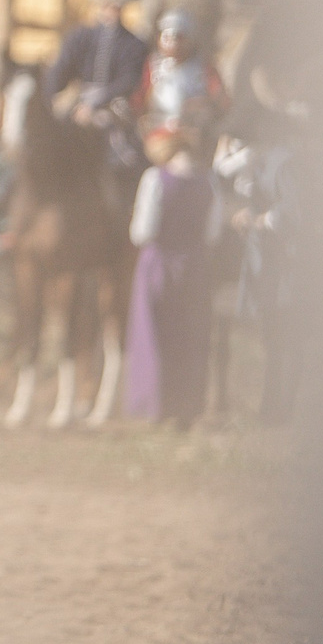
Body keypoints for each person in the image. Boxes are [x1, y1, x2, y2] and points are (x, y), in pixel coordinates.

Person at [125, 117, 225, 426]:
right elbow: (213, 234)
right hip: (195, 267)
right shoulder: (210, 181)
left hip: (159, 265)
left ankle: (157, 406)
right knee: (191, 335)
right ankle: (188, 408)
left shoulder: (155, 179)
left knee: (154, 333)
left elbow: (143, 232)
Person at [139, 9, 229, 130]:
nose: (171, 43)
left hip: (194, 129)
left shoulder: (204, 68)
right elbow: (140, 98)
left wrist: (204, 105)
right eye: (166, 37)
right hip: (158, 128)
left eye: (178, 37)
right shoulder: (152, 66)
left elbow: (220, 100)